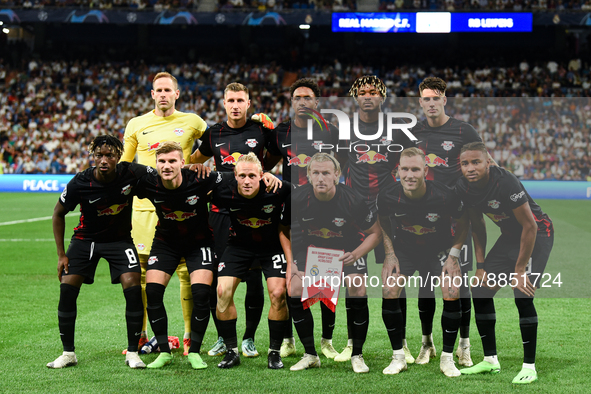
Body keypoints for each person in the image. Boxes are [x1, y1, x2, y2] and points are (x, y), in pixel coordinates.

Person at [410, 76, 497, 366]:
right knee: (425, 284)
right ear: (420, 102)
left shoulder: (463, 130)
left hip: (459, 217)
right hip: (425, 219)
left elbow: (487, 163)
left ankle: (464, 344)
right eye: (426, 99)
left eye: (436, 98)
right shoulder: (413, 132)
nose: (431, 103)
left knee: (458, 285)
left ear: (444, 100)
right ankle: (427, 343)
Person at [121, 71, 208, 355]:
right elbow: (124, 163)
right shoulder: (136, 124)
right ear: (152, 94)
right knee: (142, 274)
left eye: (167, 90)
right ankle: (142, 336)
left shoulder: (193, 121)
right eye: (158, 90)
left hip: (182, 206)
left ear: (177, 94)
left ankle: (187, 336)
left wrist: (195, 165)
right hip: (145, 208)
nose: (162, 95)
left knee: (186, 272)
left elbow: (214, 146)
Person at [191, 82, 278, 359]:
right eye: (231, 100)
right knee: (221, 277)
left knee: (253, 277)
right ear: (224, 103)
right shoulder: (214, 132)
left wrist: (264, 174)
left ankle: (249, 338)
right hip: (220, 212)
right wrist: (194, 165)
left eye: (241, 100)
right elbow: (196, 159)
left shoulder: (261, 130)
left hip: (252, 212)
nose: (236, 105)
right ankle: (222, 336)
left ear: (249, 103)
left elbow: (274, 156)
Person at [48, 135, 149, 369]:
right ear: (93, 157)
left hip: (119, 241)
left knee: (134, 288)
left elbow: (161, 176)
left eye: (110, 155)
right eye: (99, 155)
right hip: (86, 241)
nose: (104, 160)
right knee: (67, 289)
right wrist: (62, 255)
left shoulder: (132, 173)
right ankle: (68, 353)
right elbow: (57, 214)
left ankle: (133, 353)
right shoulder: (80, 181)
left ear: (118, 157)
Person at [456, 142, 554, 384]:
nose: (470, 168)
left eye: (476, 162)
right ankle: (490, 360)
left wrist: (519, 270)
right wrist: (480, 266)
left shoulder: (505, 181)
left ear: (488, 162)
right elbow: (477, 226)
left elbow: (530, 226)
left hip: (538, 233)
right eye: (465, 163)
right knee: (480, 289)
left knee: (522, 291)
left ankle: (529, 367)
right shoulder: (463, 188)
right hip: (510, 236)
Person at [265, 78, 341, 360]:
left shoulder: (330, 132)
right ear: (292, 102)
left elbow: (339, 165)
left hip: (323, 211)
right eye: (298, 97)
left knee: (323, 282)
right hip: (289, 212)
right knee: (291, 280)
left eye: (308, 97)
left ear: (316, 102)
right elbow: (267, 163)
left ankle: (326, 341)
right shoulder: (280, 131)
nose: (303, 102)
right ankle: (288, 340)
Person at [377, 147, 469, 377]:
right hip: (405, 251)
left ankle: (447, 359)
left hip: (438, 250)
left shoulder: (445, 195)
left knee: (451, 288)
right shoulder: (388, 195)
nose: (409, 175)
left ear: (425, 170)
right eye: (405, 169)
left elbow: (463, 222)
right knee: (389, 289)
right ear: (397, 170)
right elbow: (383, 223)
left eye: (415, 169)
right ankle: (398, 357)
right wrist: (389, 254)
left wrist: (453, 257)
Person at [341, 75, 413, 363]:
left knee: (394, 278)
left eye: (373, 91)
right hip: (355, 215)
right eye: (362, 92)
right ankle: (350, 342)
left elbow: (415, 161)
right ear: (355, 96)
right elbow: (335, 165)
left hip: (390, 214)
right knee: (353, 280)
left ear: (382, 97)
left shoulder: (396, 130)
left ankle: (403, 342)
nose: (367, 95)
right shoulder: (344, 131)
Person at [134, 141, 224, 369]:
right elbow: (121, 175)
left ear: (183, 163)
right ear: (155, 164)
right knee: (153, 292)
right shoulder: (149, 182)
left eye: (172, 161)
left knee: (201, 294)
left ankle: (194, 351)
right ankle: (164, 352)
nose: (167, 166)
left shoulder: (201, 178)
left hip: (199, 243)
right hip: (166, 243)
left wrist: (267, 176)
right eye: (162, 161)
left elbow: (235, 178)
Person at [289, 153, 382, 373]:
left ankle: (357, 354)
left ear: (337, 175)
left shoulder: (353, 199)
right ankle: (310, 354)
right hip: (312, 252)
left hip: (346, 251)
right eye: (316, 173)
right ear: (309, 176)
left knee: (357, 285)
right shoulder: (298, 198)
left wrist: (356, 254)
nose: (320, 178)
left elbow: (375, 233)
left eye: (326, 173)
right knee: (294, 286)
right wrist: (292, 261)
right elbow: (284, 231)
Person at [211, 153, 291, 369]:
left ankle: (274, 353)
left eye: (252, 176)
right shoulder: (223, 190)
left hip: (270, 247)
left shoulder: (279, 189)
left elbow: (300, 201)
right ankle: (231, 351)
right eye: (242, 175)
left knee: (278, 294)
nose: (247, 181)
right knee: (222, 292)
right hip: (238, 246)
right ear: (234, 176)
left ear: (261, 175)